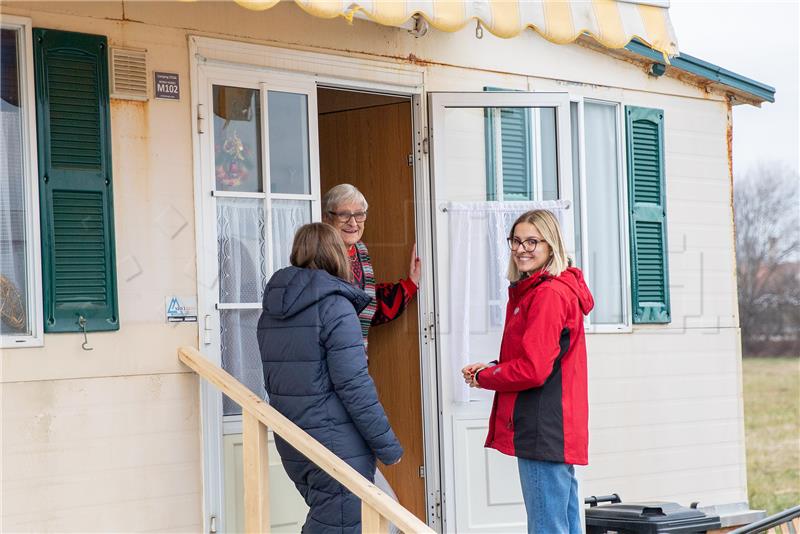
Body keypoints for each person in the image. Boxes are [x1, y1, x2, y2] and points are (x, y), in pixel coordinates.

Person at [257, 222, 403, 534]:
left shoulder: (272, 312)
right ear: (337, 255)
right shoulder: (335, 306)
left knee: (370, 517)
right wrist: (387, 445)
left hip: (294, 439)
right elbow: (354, 385)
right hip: (335, 441)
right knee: (346, 523)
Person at [461, 209, 594, 534]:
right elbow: (541, 356)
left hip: (543, 426)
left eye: (532, 241)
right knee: (564, 525)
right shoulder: (545, 290)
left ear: (551, 246)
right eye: (516, 241)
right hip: (556, 426)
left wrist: (484, 378)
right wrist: (494, 367)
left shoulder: (548, 294)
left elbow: (533, 370)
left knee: (548, 528)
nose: (522, 248)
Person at [321, 184, 421, 353]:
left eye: (359, 214)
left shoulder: (360, 250)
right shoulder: (318, 254)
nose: (353, 223)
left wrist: (410, 284)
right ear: (326, 218)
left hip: (355, 358)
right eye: (344, 214)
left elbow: (368, 305)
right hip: (325, 358)